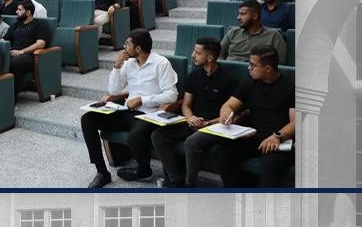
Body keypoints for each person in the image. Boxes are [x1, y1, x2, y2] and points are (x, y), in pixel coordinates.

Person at [81, 30, 178, 186]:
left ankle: (143, 170)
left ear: (138, 48)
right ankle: (102, 172)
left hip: (149, 115)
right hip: (127, 112)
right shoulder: (128, 63)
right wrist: (117, 65)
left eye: (127, 44)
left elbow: (172, 95)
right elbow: (113, 91)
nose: (124, 47)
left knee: (135, 136)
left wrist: (141, 100)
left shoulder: (161, 63)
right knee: (87, 119)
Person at [150, 37, 239, 188]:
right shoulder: (193, 76)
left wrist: (207, 123)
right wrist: (190, 118)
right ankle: (175, 179)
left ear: (210, 57)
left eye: (197, 53)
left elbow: (231, 113)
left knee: (192, 142)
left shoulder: (229, 80)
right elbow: (186, 104)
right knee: (158, 135)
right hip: (193, 121)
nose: (193, 55)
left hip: (216, 126)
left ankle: (189, 185)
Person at [215, 46, 295, 188]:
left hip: (280, 139)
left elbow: (296, 122)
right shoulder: (250, 84)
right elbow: (229, 105)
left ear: (268, 68)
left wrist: (278, 136)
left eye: (253, 65)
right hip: (254, 135)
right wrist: (226, 113)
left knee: (270, 164)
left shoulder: (290, 87)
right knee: (224, 152)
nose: (249, 68)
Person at [3, 1, 52, 99]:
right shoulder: (16, 25)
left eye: (20, 10)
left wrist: (21, 52)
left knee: (14, 63)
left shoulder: (39, 25)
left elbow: (41, 44)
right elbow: (3, 40)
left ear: (28, 12)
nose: (16, 12)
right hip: (14, 53)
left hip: (30, 55)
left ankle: (12, 97)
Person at [221, 1, 287, 64]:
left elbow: (279, 62)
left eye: (242, 14)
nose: (238, 17)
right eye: (239, 14)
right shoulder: (233, 32)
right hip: (229, 70)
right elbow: (220, 54)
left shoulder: (273, 35)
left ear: (254, 16)